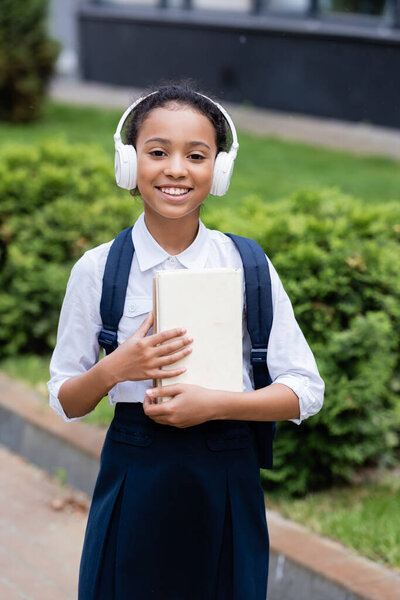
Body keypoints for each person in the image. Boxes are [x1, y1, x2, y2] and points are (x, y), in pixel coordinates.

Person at [47, 81, 324, 600]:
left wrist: (217, 405)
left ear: (219, 171)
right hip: (134, 474)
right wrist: (116, 369)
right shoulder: (99, 269)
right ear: (128, 164)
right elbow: (66, 400)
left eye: (196, 155)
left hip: (225, 473)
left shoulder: (247, 266)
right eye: (157, 152)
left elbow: (305, 390)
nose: (176, 169)